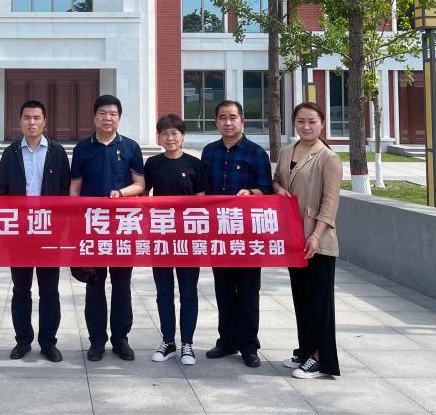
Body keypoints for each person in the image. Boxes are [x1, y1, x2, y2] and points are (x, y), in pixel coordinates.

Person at [70, 94, 145, 361]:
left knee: (122, 284)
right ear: (94, 117)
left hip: (123, 226)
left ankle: (121, 339)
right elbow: (75, 189)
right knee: (94, 283)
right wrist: (77, 223)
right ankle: (97, 341)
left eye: (113, 114)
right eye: (102, 113)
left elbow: (140, 185)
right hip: (92, 227)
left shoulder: (131, 147)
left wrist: (121, 194)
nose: (107, 118)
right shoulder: (82, 149)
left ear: (119, 118)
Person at [0, 99, 71, 363]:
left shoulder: (57, 152)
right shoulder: (11, 152)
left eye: (37, 118)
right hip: (19, 232)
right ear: (20, 121)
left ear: (44, 121)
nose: (32, 122)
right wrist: (6, 229)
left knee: (49, 290)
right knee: (21, 289)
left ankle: (48, 342)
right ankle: (23, 340)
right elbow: (1, 192)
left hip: (48, 231)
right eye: (27, 118)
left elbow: (65, 192)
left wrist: (61, 229)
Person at [200, 100, 273, 368]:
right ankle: (226, 340)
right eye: (222, 117)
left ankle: (248, 344)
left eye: (233, 117)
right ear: (216, 122)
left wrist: (251, 193)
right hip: (220, 234)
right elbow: (202, 190)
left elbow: (267, 189)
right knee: (223, 288)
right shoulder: (209, 152)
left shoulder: (256, 153)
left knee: (248, 290)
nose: (228, 122)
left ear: (243, 120)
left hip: (248, 236)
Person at [273, 102, 341, 379]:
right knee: (301, 298)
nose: (306, 126)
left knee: (319, 302)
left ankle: (320, 358)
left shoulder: (328, 157)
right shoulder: (286, 151)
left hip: (318, 240)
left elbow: (330, 203)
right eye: (301, 121)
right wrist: (279, 190)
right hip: (293, 237)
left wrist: (316, 235)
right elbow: (277, 180)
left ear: (322, 124)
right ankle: (305, 350)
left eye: (312, 121)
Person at [144, 114, 206, 366]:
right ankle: (168, 341)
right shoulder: (152, 164)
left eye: (174, 133)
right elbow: (143, 193)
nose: (170, 138)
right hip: (160, 235)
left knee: (188, 291)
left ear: (182, 136)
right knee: (163, 291)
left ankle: (187, 343)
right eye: (165, 134)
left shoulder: (195, 164)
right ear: (159, 137)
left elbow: (202, 199)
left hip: (188, 237)